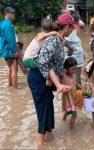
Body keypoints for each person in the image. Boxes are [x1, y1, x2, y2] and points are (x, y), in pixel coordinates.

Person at [27, 13, 75, 146]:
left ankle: (49, 138)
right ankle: (40, 144)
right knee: (43, 109)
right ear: (66, 27)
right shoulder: (53, 40)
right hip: (38, 78)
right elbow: (43, 62)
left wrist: (62, 77)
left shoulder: (58, 40)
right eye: (71, 27)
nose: (72, 30)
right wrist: (51, 80)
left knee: (48, 106)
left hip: (45, 78)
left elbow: (54, 63)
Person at [23, 18, 63, 86]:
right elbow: (54, 33)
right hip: (29, 61)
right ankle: (49, 81)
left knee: (47, 62)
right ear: (51, 29)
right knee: (48, 64)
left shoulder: (41, 35)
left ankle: (51, 80)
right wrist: (61, 38)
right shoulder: (42, 35)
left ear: (41, 28)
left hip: (29, 59)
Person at [0, 7, 19, 88]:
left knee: (10, 68)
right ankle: (15, 90)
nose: (13, 15)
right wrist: (15, 50)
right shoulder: (8, 25)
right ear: (7, 14)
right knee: (15, 70)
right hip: (10, 50)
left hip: (5, 49)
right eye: (12, 13)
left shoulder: (3, 23)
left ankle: (10, 85)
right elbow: (10, 39)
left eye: (13, 13)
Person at [61, 57, 81, 129]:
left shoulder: (74, 74)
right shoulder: (64, 77)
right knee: (74, 114)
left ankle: (63, 119)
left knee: (69, 111)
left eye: (75, 68)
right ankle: (71, 130)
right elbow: (61, 87)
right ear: (66, 69)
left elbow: (74, 82)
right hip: (67, 97)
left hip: (73, 96)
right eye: (72, 69)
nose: (75, 70)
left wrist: (78, 86)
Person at [64, 13, 84, 85]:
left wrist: (83, 53)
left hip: (77, 62)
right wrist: (71, 48)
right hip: (72, 63)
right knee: (74, 81)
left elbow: (78, 45)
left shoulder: (74, 32)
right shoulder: (69, 33)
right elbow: (65, 42)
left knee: (77, 80)